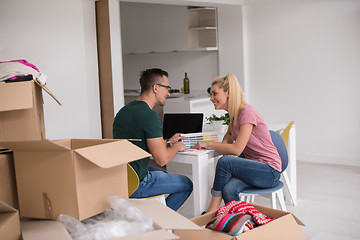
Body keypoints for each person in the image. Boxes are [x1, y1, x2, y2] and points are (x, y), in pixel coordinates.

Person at [193, 73, 281, 213]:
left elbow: (237, 149)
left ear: (228, 93)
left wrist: (208, 144)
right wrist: (224, 145)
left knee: (226, 162)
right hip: (253, 168)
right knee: (228, 189)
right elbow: (229, 135)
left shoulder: (247, 112)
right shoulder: (234, 115)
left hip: (269, 171)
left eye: (215, 93)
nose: (211, 98)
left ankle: (212, 210)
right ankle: (241, 222)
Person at [113, 68, 193, 211]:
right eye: (167, 88)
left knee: (164, 174)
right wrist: (176, 147)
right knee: (186, 184)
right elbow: (162, 160)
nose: (168, 93)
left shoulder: (124, 111)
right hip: (138, 182)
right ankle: (160, 222)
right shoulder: (149, 116)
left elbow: (139, 142)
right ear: (156, 88)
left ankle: (155, 217)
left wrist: (168, 142)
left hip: (122, 178)